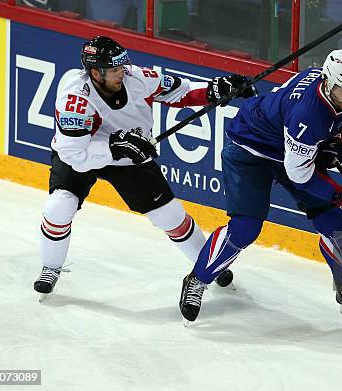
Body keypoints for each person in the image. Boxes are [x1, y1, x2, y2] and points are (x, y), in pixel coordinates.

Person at [34, 36, 256, 299]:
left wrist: (215, 90)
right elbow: (75, 155)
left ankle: (209, 266)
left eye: (122, 66)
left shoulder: (137, 78)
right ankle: (51, 267)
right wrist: (114, 147)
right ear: (95, 72)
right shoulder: (75, 100)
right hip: (83, 152)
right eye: (114, 70)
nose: (122, 73)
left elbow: (179, 91)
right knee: (59, 206)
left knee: (170, 216)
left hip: (130, 156)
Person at [179, 49, 342, 325]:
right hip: (250, 149)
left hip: (292, 149)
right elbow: (299, 174)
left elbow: (334, 125)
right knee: (245, 228)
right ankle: (197, 279)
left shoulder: (339, 93)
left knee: (333, 222)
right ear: (327, 81)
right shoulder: (308, 113)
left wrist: (336, 142)